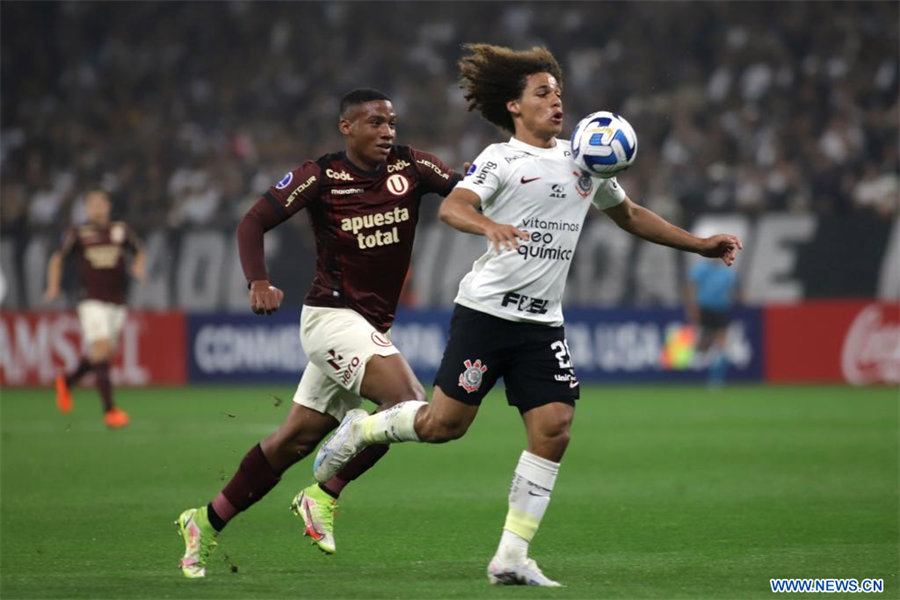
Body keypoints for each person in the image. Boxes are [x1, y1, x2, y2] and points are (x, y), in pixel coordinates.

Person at [313, 44, 742, 587]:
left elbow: (629, 214)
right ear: (515, 107)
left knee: (555, 427)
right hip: (487, 314)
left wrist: (700, 245)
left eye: (558, 93)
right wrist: (487, 226)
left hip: (542, 324)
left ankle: (511, 556)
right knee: (444, 425)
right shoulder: (501, 159)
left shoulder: (586, 158)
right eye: (542, 93)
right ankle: (362, 429)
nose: (556, 101)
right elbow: (452, 206)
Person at [175, 88, 462, 578]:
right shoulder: (321, 176)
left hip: (367, 326)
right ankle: (322, 494)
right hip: (330, 317)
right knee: (408, 405)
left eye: (391, 122)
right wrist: (258, 281)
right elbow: (253, 222)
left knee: (295, 441)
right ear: (346, 128)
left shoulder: (412, 168)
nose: (387, 132)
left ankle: (205, 520)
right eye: (374, 122)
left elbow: (467, 188)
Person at [44, 189, 145, 428]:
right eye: (92, 204)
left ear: (108, 206)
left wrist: (139, 267)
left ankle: (67, 381)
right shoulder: (79, 232)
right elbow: (57, 258)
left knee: (104, 353)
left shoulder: (121, 230)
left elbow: (139, 250)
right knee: (101, 347)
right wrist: (53, 286)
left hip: (117, 301)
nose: (98, 208)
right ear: (86, 209)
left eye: (101, 203)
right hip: (91, 299)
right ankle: (110, 411)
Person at [684, 256, 741, 386]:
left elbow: (735, 289)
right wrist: (692, 306)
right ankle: (692, 371)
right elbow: (691, 286)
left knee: (721, 343)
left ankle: (716, 378)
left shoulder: (727, 272)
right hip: (705, 309)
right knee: (704, 343)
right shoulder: (701, 269)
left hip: (721, 310)